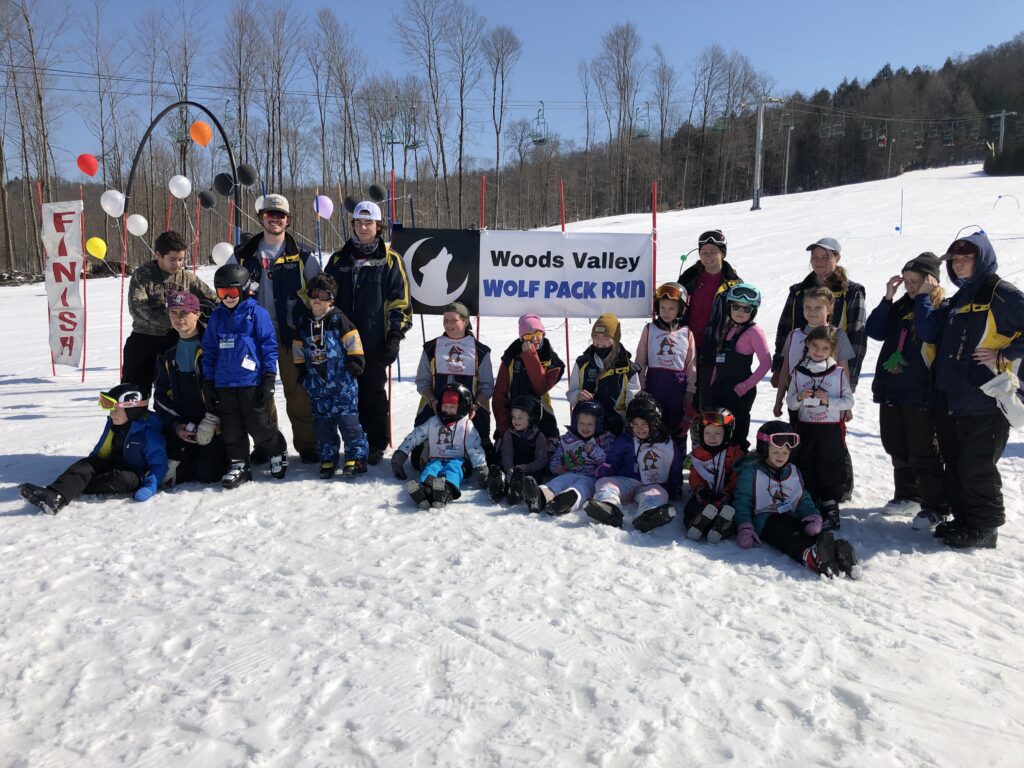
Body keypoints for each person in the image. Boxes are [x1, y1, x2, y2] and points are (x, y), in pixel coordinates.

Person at [914, 231, 1024, 549]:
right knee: (956, 464)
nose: (959, 265)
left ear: (983, 258)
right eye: (955, 260)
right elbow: (928, 329)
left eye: (966, 258)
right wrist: (924, 296)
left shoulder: (1000, 293)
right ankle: (964, 520)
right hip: (951, 398)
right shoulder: (960, 297)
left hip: (985, 400)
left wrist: (1007, 353)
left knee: (978, 468)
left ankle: (985, 528)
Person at [232, 193, 321, 463]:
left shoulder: (304, 257)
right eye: (270, 215)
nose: (275, 220)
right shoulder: (242, 255)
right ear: (261, 218)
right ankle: (267, 446)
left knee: (298, 393)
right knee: (260, 394)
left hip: (291, 336)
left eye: (280, 215)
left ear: (288, 220)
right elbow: (228, 291)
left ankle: (307, 445)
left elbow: (320, 295)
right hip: (254, 338)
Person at [325, 200, 413, 464]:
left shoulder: (389, 260)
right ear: (352, 225)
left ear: (378, 227)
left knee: (372, 393)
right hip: (341, 343)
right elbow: (324, 297)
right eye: (359, 222)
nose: (363, 227)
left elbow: (401, 303)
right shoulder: (339, 259)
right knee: (345, 394)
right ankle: (352, 443)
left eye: (369, 223)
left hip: (374, 341)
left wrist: (394, 337)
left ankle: (375, 442)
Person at [865, 253, 949, 526]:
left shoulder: (940, 307)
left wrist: (925, 297)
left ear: (931, 281)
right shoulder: (901, 306)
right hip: (892, 387)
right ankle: (907, 495)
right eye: (908, 281)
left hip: (920, 392)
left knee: (923, 449)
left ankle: (934, 504)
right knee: (896, 444)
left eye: (917, 282)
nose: (911, 287)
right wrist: (888, 297)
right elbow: (875, 330)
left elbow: (927, 333)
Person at [733, 421, 861, 580]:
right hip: (766, 521)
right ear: (765, 449)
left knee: (805, 530)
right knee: (787, 535)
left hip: (791, 516)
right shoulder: (751, 472)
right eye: (776, 452)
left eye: (785, 453)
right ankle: (810, 556)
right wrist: (745, 527)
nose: (781, 457)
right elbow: (742, 502)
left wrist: (813, 516)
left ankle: (839, 553)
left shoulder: (792, 471)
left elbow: (801, 498)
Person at [18, 384, 167, 515]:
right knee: (86, 465)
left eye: (116, 410)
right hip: (113, 462)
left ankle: (71, 487)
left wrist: (150, 487)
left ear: (132, 410)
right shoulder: (114, 424)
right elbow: (101, 449)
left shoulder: (149, 434)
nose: (111, 414)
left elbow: (159, 465)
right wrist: (89, 465)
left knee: (122, 479)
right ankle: (55, 497)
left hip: (134, 474)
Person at [201, 264, 287, 488]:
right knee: (231, 428)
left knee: (258, 425)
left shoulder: (257, 313)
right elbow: (209, 350)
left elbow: (269, 346)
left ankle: (277, 450)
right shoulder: (217, 317)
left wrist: (269, 376)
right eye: (222, 294)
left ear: (245, 289)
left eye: (231, 293)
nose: (227, 298)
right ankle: (239, 464)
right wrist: (208, 381)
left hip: (251, 381)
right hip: (224, 383)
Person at [292, 273, 369, 479]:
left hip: (342, 382)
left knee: (348, 421)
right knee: (323, 424)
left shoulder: (338, 319)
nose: (317, 299)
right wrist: (301, 370)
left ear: (331, 298)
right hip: (317, 384)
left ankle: (356, 455)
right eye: (314, 294)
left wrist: (355, 361)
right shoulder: (304, 323)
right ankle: (328, 456)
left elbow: (353, 341)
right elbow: (298, 348)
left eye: (323, 295)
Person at [123, 230, 216, 398]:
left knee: (174, 390)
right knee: (134, 393)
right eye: (172, 259)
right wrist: (170, 320)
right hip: (144, 340)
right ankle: (131, 423)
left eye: (181, 259)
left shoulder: (187, 278)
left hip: (175, 341)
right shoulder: (143, 275)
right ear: (158, 255)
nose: (178, 264)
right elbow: (137, 309)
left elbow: (212, 298)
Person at [153, 291, 228, 486]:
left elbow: (227, 389)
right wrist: (177, 425)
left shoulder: (213, 347)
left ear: (197, 314)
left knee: (208, 474)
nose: (178, 319)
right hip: (185, 424)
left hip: (215, 423)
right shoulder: (167, 355)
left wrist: (213, 420)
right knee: (181, 475)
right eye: (173, 312)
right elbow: (161, 397)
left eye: (184, 312)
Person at [772, 236, 866, 392]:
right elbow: (785, 329)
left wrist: (852, 377)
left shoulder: (851, 292)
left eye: (825, 257)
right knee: (797, 414)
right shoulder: (798, 291)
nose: (818, 261)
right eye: (814, 257)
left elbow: (858, 336)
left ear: (837, 258)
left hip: (832, 375)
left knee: (828, 413)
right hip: (798, 373)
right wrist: (778, 367)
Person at [785, 326, 855, 531]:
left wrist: (829, 400)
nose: (818, 351)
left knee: (829, 466)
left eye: (824, 348)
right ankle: (809, 505)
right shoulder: (799, 372)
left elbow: (848, 401)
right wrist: (799, 397)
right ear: (807, 345)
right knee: (806, 463)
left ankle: (830, 507)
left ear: (832, 350)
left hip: (830, 429)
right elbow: (790, 403)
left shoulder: (838, 373)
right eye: (814, 346)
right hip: (806, 428)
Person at [584, 393, 684, 532]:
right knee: (605, 483)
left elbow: (675, 466)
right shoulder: (625, 440)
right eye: (635, 424)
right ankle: (609, 507)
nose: (639, 428)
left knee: (659, 493)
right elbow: (614, 459)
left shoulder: (665, 443)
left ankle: (648, 514)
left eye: (645, 424)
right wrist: (608, 468)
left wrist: (675, 487)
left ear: (655, 423)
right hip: (626, 479)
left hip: (651, 483)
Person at [413, 302, 495, 466]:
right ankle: (428, 449)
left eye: (454, 320)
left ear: (465, 321)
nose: (448, 324)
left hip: (471, 407)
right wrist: (432, 400)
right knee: (416, 461)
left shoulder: (480, 351)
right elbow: (423, 381)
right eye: (445, 320)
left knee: (488, 456)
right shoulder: (432, 348)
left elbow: (487, 385)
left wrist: (476, 405)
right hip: (437, 404)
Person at [390, 383, 488, 509]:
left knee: (453, 468)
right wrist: (402, 452)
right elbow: (415, 436)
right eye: (445, 406)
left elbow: (474, 447)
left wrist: (480, 466)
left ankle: (446, 490)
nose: (447, 410)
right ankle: (425, 489)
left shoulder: (466, 425)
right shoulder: (433, 422)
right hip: (435, 459)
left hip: (458, 461)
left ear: (462, 407)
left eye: (452, 406)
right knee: (430, 469)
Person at [678, 230, 743, 409]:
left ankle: (705, 437)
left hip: (715, 350)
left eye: (713, 251)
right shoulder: (688, 279)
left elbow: (743, 318)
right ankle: (692, 436)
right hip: (687, 348)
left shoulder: (734, 285)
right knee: (686, 402)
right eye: (704, 251)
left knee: (707, 401)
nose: (708, 256)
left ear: (722, 253)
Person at [773, 286, 856, 418]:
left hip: (829, 404)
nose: (812, 312)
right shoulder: (794, 335)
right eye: (808, 307)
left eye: (818, 307)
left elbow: (843, 371)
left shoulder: (838, 335)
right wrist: (779, 400)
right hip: (798, 401)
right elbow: (785, 369)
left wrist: (846, 407)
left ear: (830, 308)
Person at [522, 400, 615, 516]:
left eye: (590, 424)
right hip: (569, 472)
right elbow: (558, 455)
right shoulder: (568, 438)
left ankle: (565, 502)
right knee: (557, 483)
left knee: (581, 489)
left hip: (590, 477)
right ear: (575, 422)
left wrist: (593, 450)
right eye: (581, 423)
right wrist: (556, 467)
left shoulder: (604, 439)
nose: (585, 427)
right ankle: (539, 496)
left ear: (598, 424)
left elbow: (608, 460)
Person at [707, 283, 772, 450]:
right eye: (736, 307)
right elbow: (718, 361)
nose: (740, 312)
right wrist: (712, 384)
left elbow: (766, 363)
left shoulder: (754, 331)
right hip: (720, 389)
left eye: (746, 309)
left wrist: (744, 386)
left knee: (737, 433)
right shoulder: (727, 329)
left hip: (739, 392)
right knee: (717, 431)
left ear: (753, 311)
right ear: (730, 307)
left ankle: (735, 469)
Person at [634, 282, 697, 442]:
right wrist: (640, 386)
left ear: (680, 309)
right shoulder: (649, 330)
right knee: (654, 425)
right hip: (654, 385)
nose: (666, 312)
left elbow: (691, 364)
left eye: (671, 308)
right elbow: (641, 360)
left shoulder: (686, 333)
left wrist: (690, 390)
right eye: (662, 308)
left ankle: (676, 462)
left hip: (677, 388)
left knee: (676, 428)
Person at [492, 314, 565, 444]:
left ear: (543, 333)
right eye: (527, 336)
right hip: (514, 423)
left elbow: (540, 387)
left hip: (544, 424)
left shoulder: (553, 362)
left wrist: (530, 357)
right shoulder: (510, 360)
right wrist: (505, 429)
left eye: (537, 334)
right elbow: (499, 396)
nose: (534, 340)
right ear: (521, 338)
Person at [567, 314, 640, 436]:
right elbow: (571, 394)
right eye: (595, 336)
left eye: (606, 336)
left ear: (615, 339)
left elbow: (632, 405)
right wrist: (577, 395)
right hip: (586, 430)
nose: (599, 341)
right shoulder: (582, 363)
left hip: (615, 429)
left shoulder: (628, 369)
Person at [683, 409, 744, 543]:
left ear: (727, 434)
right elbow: (695, 475)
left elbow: (737, 477)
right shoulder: (698, 453)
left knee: (734, 512)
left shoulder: (733, 453)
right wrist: (699, 489)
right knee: (691, 508)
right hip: (704, 496)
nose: (712, 437)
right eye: (708, 433)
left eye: (717, 433)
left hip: (726, 498)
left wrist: (727, 494)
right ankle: (696, 522)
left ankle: (722, 526)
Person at [487, 395, 548, 504]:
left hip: (531, 471)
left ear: (532, 418)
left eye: (520, 417)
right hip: (513, 470)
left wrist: (525, 468)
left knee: (529, 480)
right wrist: (509, 468)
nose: (516, 421)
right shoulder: (509, 434)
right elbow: (507, 454)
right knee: (506, 476)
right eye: (514, 417)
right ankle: (498, 488)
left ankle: (518, 491)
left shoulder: (539, 436)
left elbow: (541, 460)